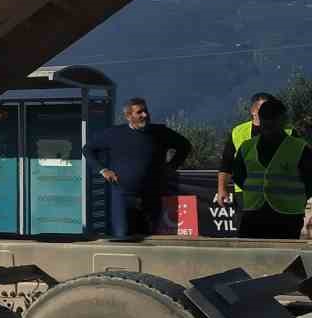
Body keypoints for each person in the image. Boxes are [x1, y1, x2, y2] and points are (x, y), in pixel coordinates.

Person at [85, 97, 191, 237]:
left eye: (146, 111)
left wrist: (171, 167)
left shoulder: (160, 132)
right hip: (122, 195)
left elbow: (185, 146)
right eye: (139, 112)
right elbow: (88, 149)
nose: (145, 115)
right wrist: (103, 170)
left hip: (151, 195)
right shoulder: (114, 134)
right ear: (129, 116)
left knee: (151, 237)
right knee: (122, 236)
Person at [229, 97, 312, 239]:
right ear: (260, 119)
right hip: (253, 214)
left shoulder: (300, 148)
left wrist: (298, 199)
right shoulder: (247, 147)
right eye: (265, 118)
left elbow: (310, 181)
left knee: (283, 257)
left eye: (273, 118)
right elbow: (238, 175)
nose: (269, 122)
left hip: (287, 216)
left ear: (283, 120)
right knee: (250, 258)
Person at [216, 92, 295, 205]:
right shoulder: (238, 132)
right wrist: (221, 189)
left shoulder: (289, 133)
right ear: (253, 111)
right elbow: (226, 164)